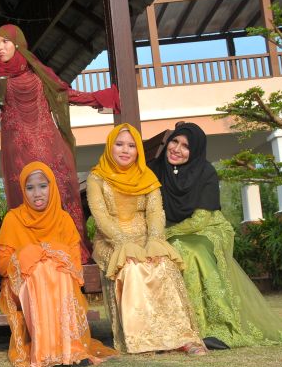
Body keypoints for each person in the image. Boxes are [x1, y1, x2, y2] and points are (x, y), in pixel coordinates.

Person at [0, 24, 119, 263]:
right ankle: (32, 255)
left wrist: (100, 98)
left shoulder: (38, 70)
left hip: (51, 150)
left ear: (18, 44)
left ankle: (67, 251)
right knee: (27, 202)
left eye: (5, 42)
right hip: (19, 154)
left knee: (59, 197)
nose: (0, 48)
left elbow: (65, 94)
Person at [149, 122, 282, 348]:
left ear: (196, 151)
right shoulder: (155, 168)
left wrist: (162, 235)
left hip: (209, 229)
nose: (177, 149)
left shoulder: (205, 172)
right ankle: (180, 326)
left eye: (186, 146)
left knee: (191, 250)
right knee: (176, 247)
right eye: (175, 142)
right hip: (170, 231)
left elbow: (201, 219)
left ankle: (217, 326)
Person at [87, 123, 206, 355]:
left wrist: (154, 240)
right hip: (111, 241)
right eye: (119, 144)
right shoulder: (97, 178)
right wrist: (123, 242)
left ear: (138, 151)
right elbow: (100, 216)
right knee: (131, 267)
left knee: (163, 264)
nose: (125, 150)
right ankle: (144, 340)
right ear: (110, 147)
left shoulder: (146, 176)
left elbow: (155, 212)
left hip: (145, 237)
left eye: (132, 146)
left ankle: (183, 338)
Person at [0, 162, 118, 367]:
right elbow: (3, 265)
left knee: (55, 269)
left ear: (52, 187)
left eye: (43, 186)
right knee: (41, 270)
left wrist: (47, 253)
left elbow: (73, 263)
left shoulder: (63, 219)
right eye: (30, 187)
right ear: (23, 191)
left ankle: (71, 349)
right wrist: (28, 256)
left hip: (59, 283)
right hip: (23, 286)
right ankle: (48, 352)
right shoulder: (13, 219)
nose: (37, 193)